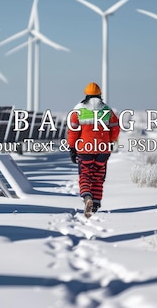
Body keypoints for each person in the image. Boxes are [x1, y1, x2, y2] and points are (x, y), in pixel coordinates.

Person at [67, 82, 120, 218]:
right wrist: (110, 141)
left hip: (85, 149)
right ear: (100, 95)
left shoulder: (78, 111)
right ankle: (95, 204)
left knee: (85, 175)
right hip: (103, 149)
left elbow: (72, 131)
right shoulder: (107, 111)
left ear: (86, 95)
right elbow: (115, 128)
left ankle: (87, 197)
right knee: (98, 177)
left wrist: (72, 148)